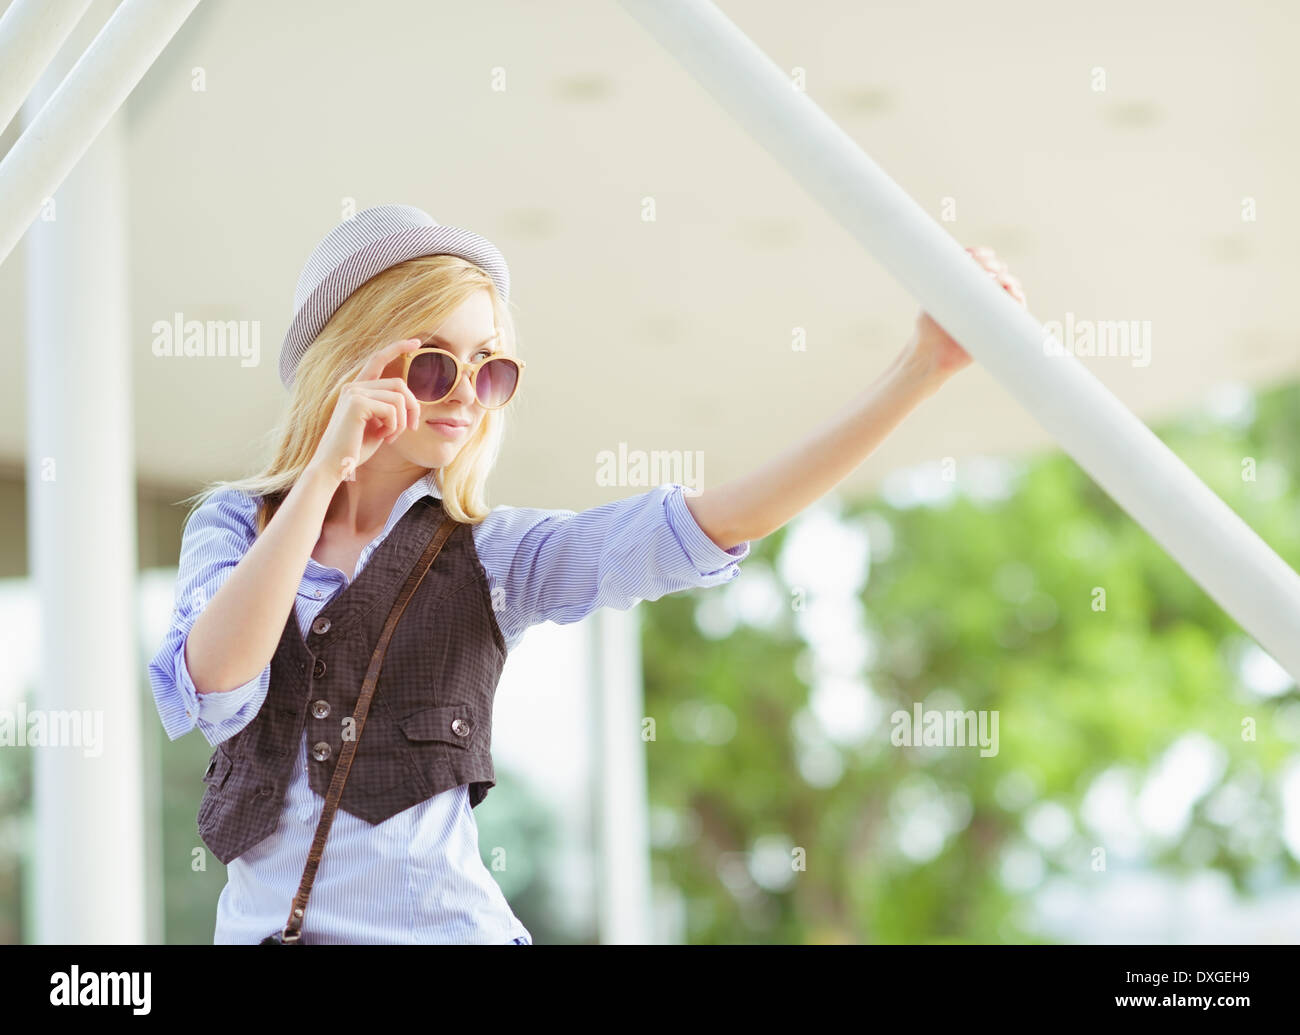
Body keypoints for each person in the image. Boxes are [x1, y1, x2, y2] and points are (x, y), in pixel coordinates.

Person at [147, 204, 1025, 945]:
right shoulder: (237, 524)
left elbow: (710, 523)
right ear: (349, 362)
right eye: (431, 362)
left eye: (488, 369)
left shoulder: (491, 555)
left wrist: (921, 369)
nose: (463, 393)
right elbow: (218, 682)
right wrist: (324, 475)